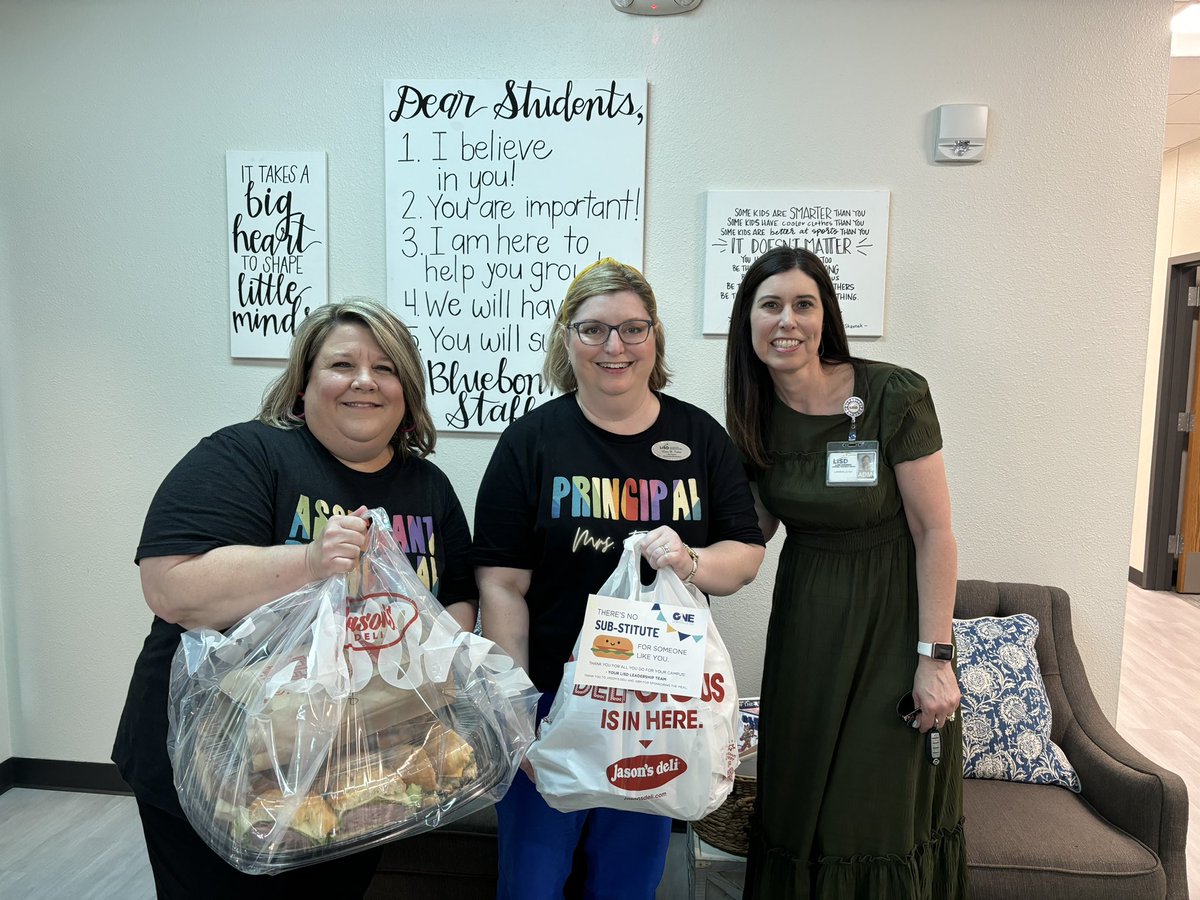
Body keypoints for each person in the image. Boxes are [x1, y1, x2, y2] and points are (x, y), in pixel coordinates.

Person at [112, 299, 478, 899]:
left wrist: (435, 667)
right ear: (302, 386)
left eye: (386, 368)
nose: (364, 380)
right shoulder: (247, 456)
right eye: (342, 364)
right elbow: (170, 586)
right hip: (221, 768)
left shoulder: (428, 487)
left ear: (407, 394)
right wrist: (310, 562)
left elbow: (455, 598)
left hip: (360, 772)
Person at [473, 258, 766, 900]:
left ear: (655, 338)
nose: (615, 347)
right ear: (565, 339)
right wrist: (514, 707)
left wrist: (690, 560)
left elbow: (745, 553)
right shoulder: (531, 442)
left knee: (627, 883)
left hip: (658, 705)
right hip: (552, 703)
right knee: (533, 882)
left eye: (634, 329)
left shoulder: (699, 438)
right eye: (594, 330)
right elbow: (501, 585)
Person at [724, 247, 967, 899]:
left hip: (894, 629)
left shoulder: (894, 394)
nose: (787, 320)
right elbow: (751, 538)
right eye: (770, 304)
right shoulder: (753, 417)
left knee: (874, 808)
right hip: (807, 627)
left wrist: (934, 657)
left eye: (804, 303)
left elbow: (934, 531)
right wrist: (674, 559)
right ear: (747, 321)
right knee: (802, 803)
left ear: (826, 315)